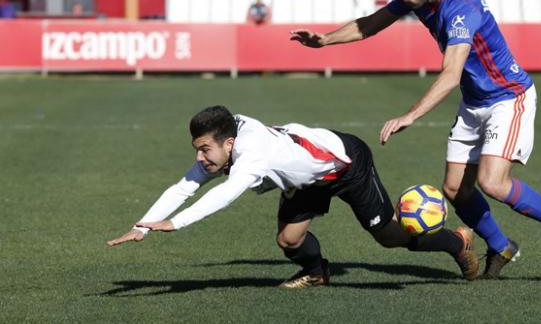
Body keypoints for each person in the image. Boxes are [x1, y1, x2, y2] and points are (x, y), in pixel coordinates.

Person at [290, 0, 541, 279]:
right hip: (475, 102)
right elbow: (370, 23)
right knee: (456, 190)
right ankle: (501, 245)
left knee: (492, 182)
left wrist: (410, 115)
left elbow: (451, 74)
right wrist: (325, 40)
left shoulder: (461, 9)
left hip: (507, 97)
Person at [107, 105, 480, 288]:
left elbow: (221, 196)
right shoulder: (228, 136)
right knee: (289, 240)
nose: (199, 157)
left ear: (229, 143)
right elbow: (185, 185)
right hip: (305, 180)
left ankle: (455, 241)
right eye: (198, 149)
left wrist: (175, 223)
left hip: (346, 164)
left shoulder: (252, 158)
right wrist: (143, 226)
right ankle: (318, 272)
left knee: (388, 237)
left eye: (204, 149)